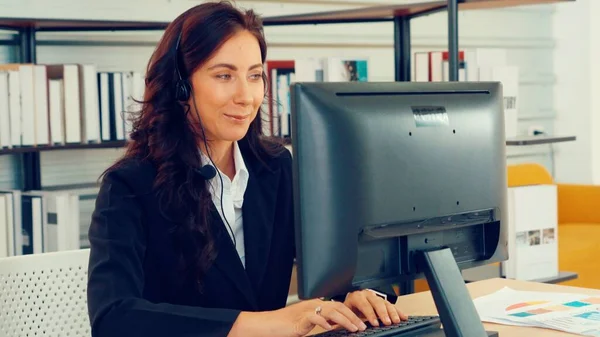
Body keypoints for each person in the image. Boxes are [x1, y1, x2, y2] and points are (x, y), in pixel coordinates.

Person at [86, 1, 407, 336]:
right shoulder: (129, 186)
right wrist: (266, 323)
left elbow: (343, 266)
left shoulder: (275, 168)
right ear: (180, 87)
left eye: (254, 76)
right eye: (224, 75)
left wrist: (363, 293)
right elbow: (113, 318)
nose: (246, 96)